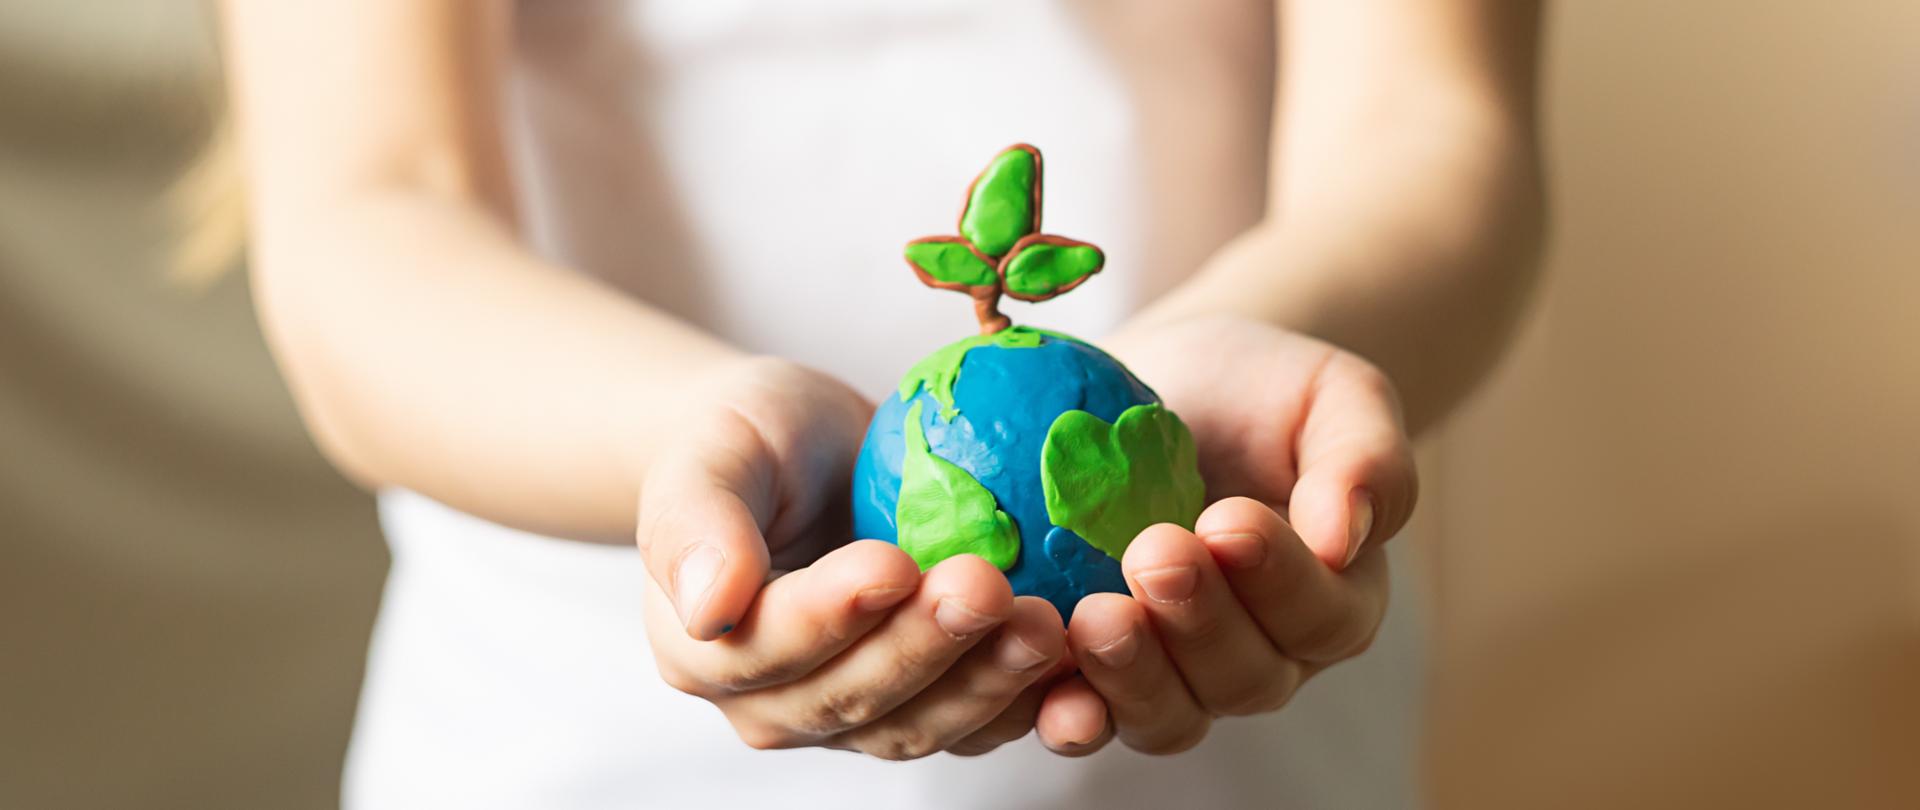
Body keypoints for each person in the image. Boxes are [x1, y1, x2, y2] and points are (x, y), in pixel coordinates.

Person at [218, 1, 1543, 807]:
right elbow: (370, 209)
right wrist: (691, 440)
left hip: (1239, 750)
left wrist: (1265, 344)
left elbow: (1430, 128)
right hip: (577, 743)